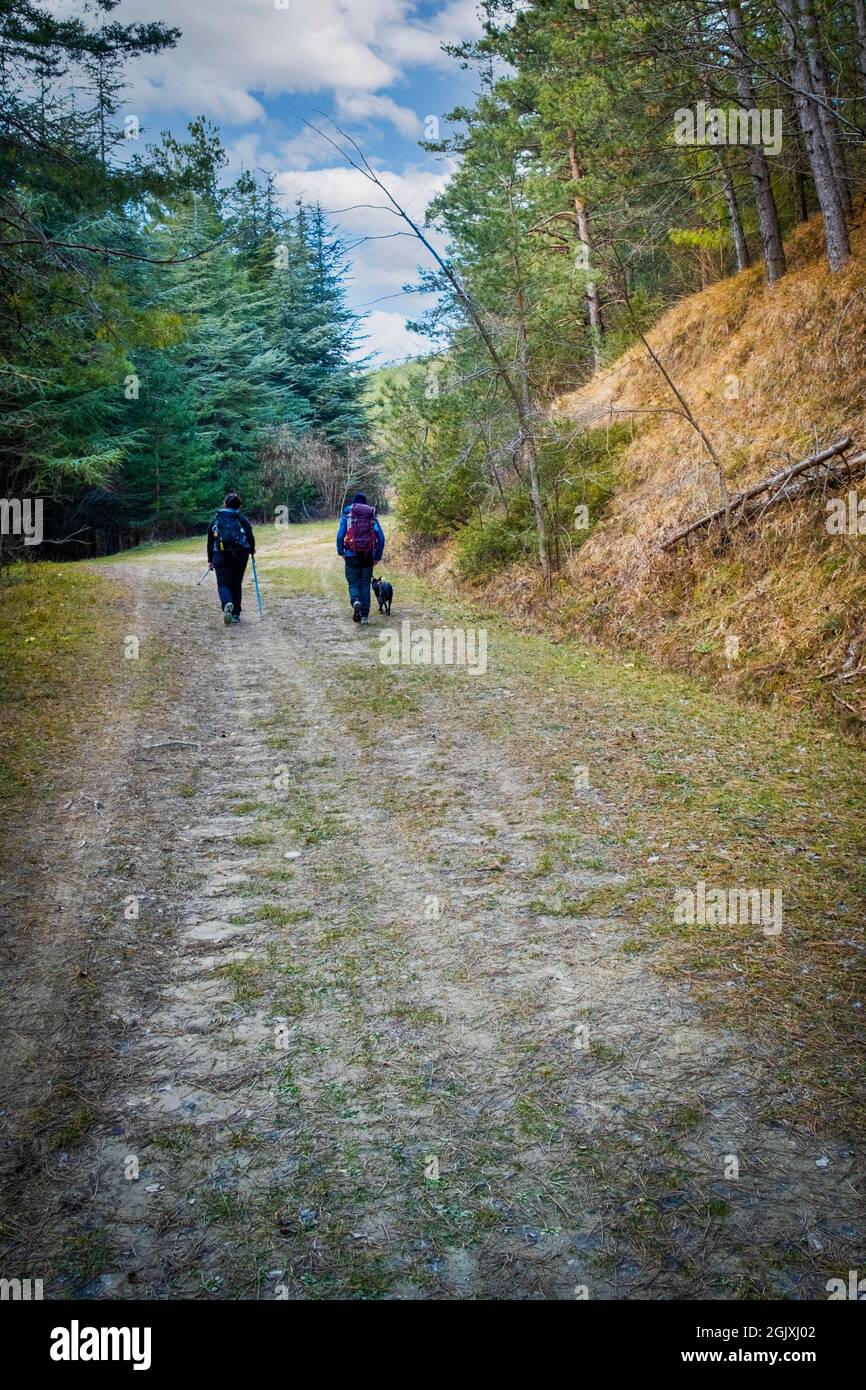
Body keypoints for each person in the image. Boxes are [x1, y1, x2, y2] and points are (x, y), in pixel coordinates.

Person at [336, 492, 384, 625]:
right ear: (365, 503)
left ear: (354, 503)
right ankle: (364, 617)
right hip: (368, 556)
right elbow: (381, 537)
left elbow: (340, 535)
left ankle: (355, 601)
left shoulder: (348, 515)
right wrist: (377, 556)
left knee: (353, 583)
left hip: (351, 555)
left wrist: (341, 552)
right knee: (364, 585)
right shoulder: (371, 516)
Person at [207, 493, 255, 625]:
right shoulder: (241, 519)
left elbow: (210, 541)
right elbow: (250, 537)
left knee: (223, 584)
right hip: (240, 556)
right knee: (236, 584)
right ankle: (235, 615)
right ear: (239, 505)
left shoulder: (217, 520)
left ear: (225, 504)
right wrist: (251, 550)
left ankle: (227, 603)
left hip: (220, 556)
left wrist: (210, 560)